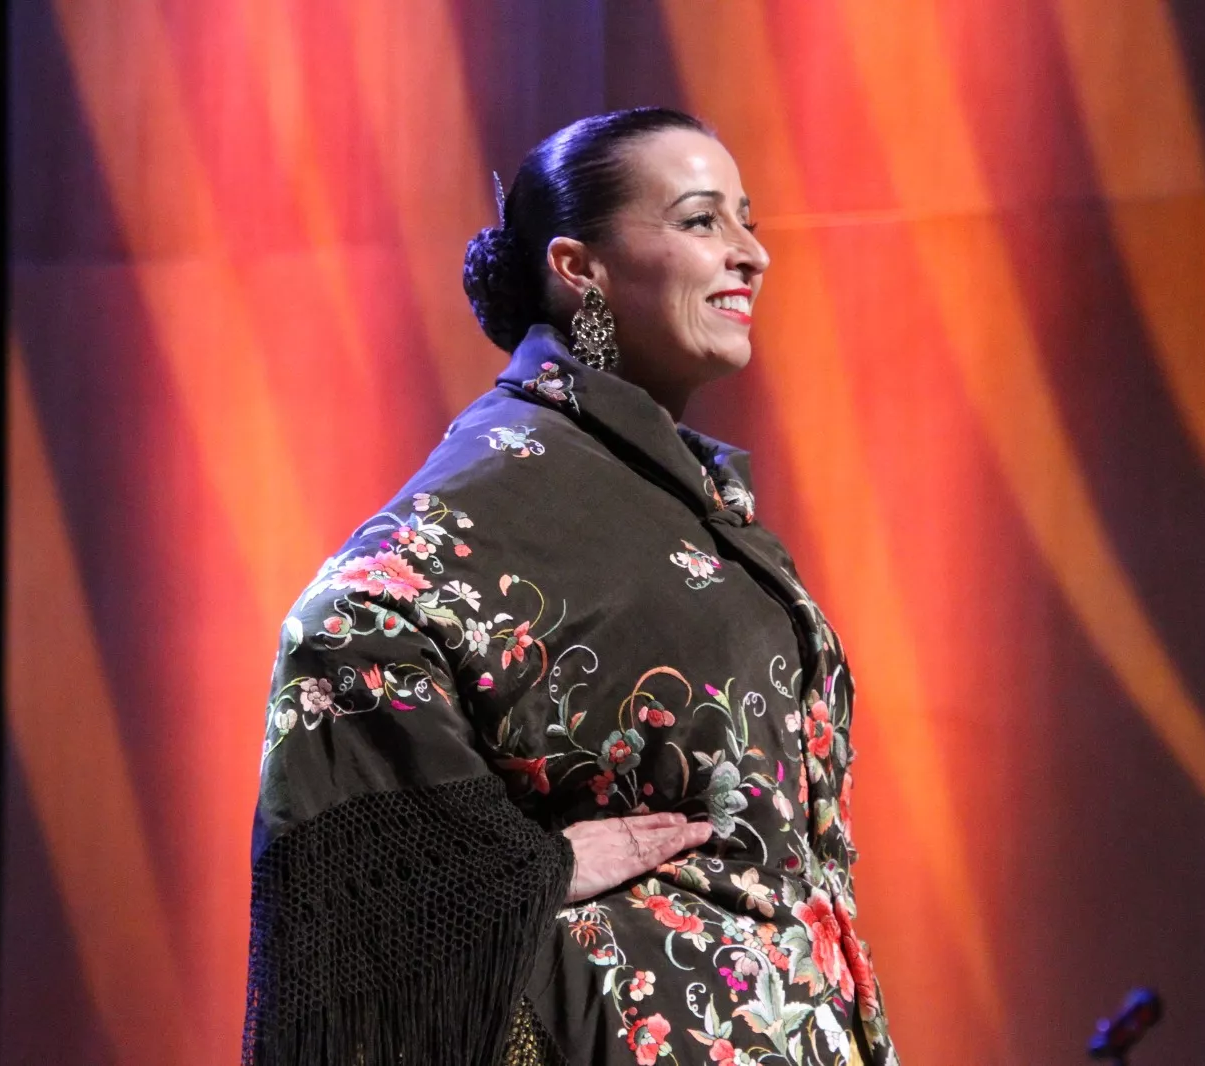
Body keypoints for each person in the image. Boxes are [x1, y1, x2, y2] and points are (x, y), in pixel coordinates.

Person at [243, 107, 898, 1066]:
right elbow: (342, 628)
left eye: (746, 219)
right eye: (701, 220)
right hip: (632, 1027)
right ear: (578, 268)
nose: (750, 253)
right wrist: (521, 870)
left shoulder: (652, 484)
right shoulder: (515, 477)